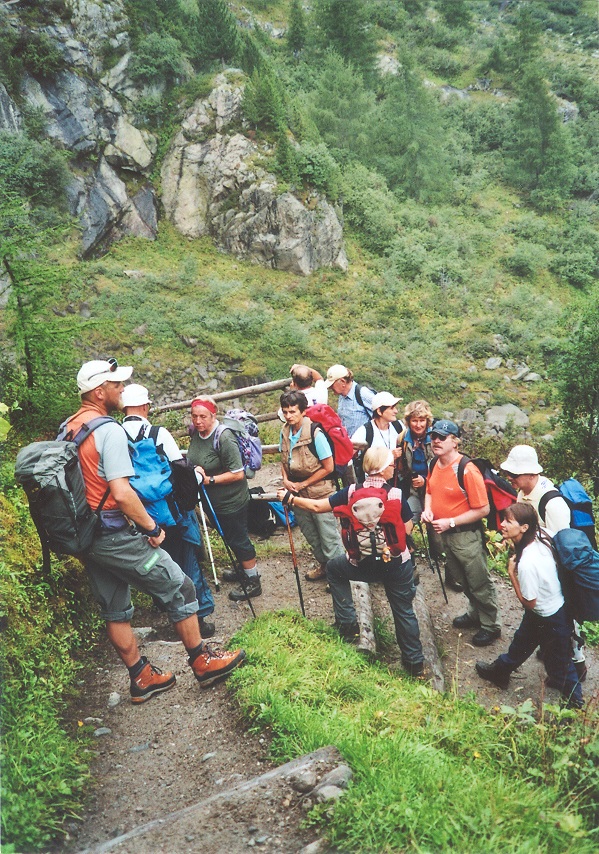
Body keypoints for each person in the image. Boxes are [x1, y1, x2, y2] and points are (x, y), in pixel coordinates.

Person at [63, 360, 245, 702]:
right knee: (179, 585)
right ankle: (202, 661)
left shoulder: (70, 427)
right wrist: (151, 526)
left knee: (115, 608)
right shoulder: (107, 430)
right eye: (116, 385)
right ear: (99, 392)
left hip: (85, 534)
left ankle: (141, 677)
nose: (121, 390)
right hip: (114, 533)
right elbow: (121, 493)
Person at [277, 447, 424, 677]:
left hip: (362, 563)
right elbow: (406, 528)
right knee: (403, 609)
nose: (393, 467)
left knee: (335, 570)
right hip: (395, 563)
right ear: (383, 468)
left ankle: (347, 625)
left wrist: (290, 499)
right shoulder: (395, 494)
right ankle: (414, 662)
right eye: (390, 464)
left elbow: (317, 506)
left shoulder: (351, 491)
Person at [121, 383, 216, 638]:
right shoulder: (157, 433)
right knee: (187, 562)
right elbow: (181, 472)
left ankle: (165, 606)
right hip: (171, 512)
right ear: (145, 406)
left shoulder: (115, 435)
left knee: (158, 564)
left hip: (140, 516)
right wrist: (196, 478)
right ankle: (200, 619)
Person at [475, 503, 583, 709]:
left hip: (549, 615)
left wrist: (511, 575)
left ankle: (575, 703)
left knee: (560, 663)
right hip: (553, 606)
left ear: (524, 527)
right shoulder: (541, 534)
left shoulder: (527, 564)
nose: (502, 524)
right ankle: (501, 671)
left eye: (509, 521)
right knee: (521, 641)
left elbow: (528, 602)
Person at [500, 444, 587, 680]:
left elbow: (562, 545)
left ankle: (577, 664)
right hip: (540, 564)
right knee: (542, 620)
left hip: (558, 570)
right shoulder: (525, 492)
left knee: (566, 616)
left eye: (514, 474)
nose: (510, 478)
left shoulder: (552, 502)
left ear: (531, 473)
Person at [421, 419, 501, 647]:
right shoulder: (433, 464)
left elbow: (483, 509)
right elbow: (429, 491)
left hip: (466, 535)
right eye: (433, 436)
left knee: (478, 580)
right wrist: (428, 510)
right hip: (445, 533)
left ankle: (491, 625)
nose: (435, 440)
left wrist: (451, 522)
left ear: (455, 442)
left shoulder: (467, 470)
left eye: (442, 437)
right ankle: (474, 613)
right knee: (462, 578)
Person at [187, 396, 261, 600]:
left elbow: (238, 473)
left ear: (213, 415)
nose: (198, 421)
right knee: (229, 536)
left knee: (238, 538)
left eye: (203, 416)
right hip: (213, 501)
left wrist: (208, 479)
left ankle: (253, 580)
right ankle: (243, 569)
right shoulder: (196, 433)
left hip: (231, 501)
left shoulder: (224, 437)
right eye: (194, 416)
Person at [279, 390, 344, 581]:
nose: (289, 416)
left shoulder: (315, 433)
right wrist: (285, 480)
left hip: (320, 492)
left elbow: (328, 467)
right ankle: (324, 566)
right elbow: (284, 460)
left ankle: (338, 575)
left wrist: (303, 484)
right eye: (285, 412)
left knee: (328, 535)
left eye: (293, 412)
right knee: (310, 533)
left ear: (303, 411)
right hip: (298, 493)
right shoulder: (284, 431)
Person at [399, 400, 463, 593]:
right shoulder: (403, 439)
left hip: (436, 492)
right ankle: (410, 568)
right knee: (405, 524)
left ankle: (451, 574)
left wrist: (425, 481)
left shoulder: (436, 439)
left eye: (422, 420)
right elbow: (402, 468)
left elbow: (445, 467)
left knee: (438, 536)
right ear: (408, 421)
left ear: (427, 421)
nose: (418, 424)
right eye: (414, 420)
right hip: (412, 491)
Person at [350, 392, 403, 483]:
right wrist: (390, 457)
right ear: (379, 411)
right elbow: (349, 454)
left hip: (397, 481)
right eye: (392, 408)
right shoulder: (365, 431)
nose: (396, 411)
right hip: (372, 483)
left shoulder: (399, 426)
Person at [324, 364, 376, 440]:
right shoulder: (342, 396)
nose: (330, 388)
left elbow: (381, 416)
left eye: (332, 385)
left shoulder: (363, 393)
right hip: (347, 445)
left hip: (363, 447)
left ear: (343, 382)